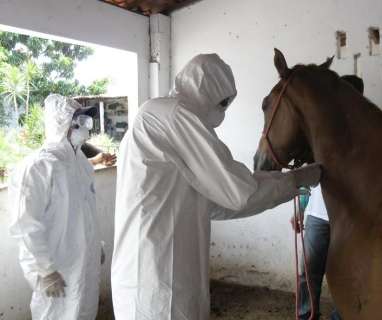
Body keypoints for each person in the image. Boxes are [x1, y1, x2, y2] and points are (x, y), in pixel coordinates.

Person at [111, 53, 322, 320]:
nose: (222, 110)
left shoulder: (171, 120)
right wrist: (296, 179)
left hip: (170, 273)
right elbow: (239, 193)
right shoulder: (173, 114)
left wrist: (285, 187)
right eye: (222, 102)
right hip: (152, 276)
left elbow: (217, 204)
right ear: (205, 89)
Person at [9, 94, 107, 320]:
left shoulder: (81, 164)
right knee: (55, 315)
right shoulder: (37, 168)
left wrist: (95, 243)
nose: (86, 128)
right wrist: (44, 270)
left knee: (84, 312)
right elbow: (25, 226)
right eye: (80, 122)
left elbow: (85, 212)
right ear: (63, 125)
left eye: (86, 122)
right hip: (58, 271)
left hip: (83, 265)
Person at [291, 186, 342, 320]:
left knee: (346, 273)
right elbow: (309, 179)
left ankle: (341, 316)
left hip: (350, 217)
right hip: (317, 216)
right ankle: (306, 315)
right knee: (308, 270)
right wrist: (300, 208)